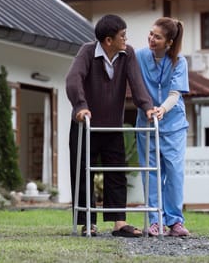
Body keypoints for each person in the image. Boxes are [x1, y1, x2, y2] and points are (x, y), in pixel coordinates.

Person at [66, 14, 156, 237]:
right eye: (122, 36)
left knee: (117, 172)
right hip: (85, 124)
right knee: (83, 172)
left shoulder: (127, 54)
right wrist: (80, 106)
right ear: (108, 40)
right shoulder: (87, 52)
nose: (126, 39)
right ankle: (88, 222)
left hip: (112, 126)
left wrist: (147, 107)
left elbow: (137, 83)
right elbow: (73, 79)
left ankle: (119, 223)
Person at [135, 17, 190, 237]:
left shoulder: (179, 62)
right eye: (150, 34)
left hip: (173, 123)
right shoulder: (139, 57)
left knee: (174, 173)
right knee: (150, 174)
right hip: (147, 124)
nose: (151, 39)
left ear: (168, 42)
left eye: (157, 37)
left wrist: (162, 110)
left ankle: (175, 221)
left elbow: (175, 94)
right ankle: (155, 220)